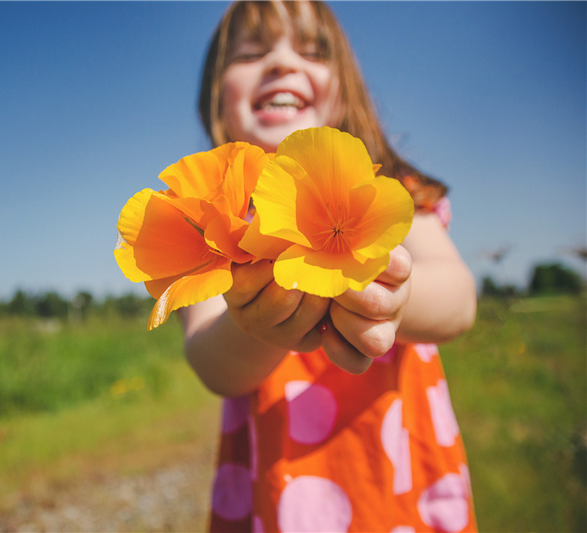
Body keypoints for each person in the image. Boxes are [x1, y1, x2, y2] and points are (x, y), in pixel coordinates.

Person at [181, 2, 478, 532]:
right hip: (280, 494)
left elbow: (459, 301)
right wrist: (257, 326)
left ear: (345, 91)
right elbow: (211, 362)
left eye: (312, 51)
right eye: (250, 52)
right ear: (216, 102)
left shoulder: (386, 191)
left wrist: (397, 296)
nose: (280, 63)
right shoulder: (213, 219)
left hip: (397, 484)